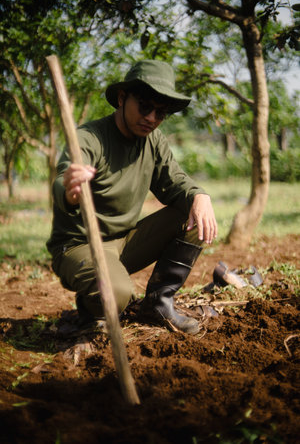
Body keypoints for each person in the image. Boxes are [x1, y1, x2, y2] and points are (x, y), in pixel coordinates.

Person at [47, 59, 218, 336]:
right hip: (79, 245)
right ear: (122, 98)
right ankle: (93, 304)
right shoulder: (90, 138)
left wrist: (199, 195)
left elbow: (174, 183)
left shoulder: (153, 141)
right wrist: (71, 190)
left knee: (194, 214)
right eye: (145, 106)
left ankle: (157, 304)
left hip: (124, 242)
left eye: (160, 113)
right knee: (116, 294)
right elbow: (63, 181)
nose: (151, 118)